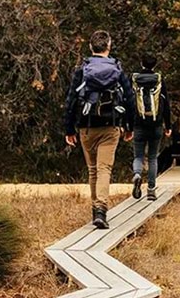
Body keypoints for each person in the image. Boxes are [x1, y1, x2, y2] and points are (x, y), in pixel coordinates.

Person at [63, 30, 133, 229]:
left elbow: (71, 101)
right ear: (108, 47)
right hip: (111, 126)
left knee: (93, 170)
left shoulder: (82, 70)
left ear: (91, 47)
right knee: (104, 169)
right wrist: (129, 126)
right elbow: (129, 99)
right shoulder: (117, 70)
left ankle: (96, 210)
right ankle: (100, 210)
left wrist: (69, 129)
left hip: (86, 127)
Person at [126, 53, 172, 201]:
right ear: (155, 65)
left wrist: (128, 126)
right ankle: (151, 190)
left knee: (138, 156)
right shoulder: (159, 80)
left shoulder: (134, 80)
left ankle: (137, 173)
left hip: (138, 125)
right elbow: (166, 105)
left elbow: (129, 104)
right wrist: (168, 125)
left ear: (141, 63)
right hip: (156, 125)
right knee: (152, 157)